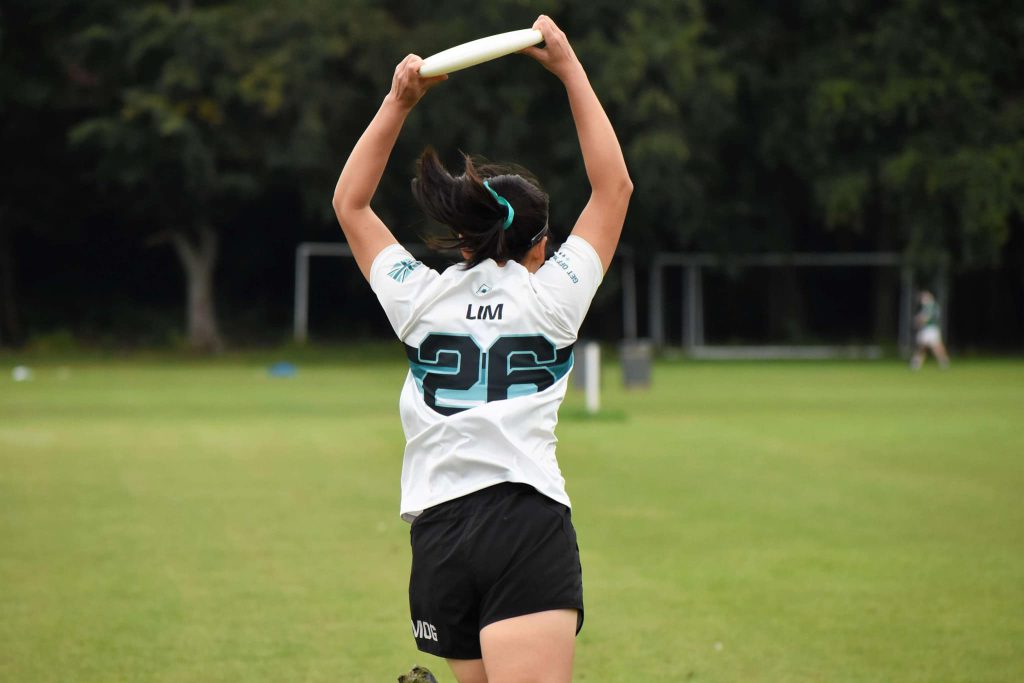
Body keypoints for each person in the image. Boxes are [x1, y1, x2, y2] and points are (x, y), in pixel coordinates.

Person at [331, 15, 632, 683]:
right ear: (539, 244)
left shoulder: (420, 297)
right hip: (524, 521)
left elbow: (350, 204)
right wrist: (569, 69)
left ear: (466, 237)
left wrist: (398, 102)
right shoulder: (551, 296)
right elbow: (614, 188)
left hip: (438, 533)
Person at [910, 290, 950, 370]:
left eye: (924, 297)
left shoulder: (930, 306)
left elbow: (925, 318)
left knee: (934, 346)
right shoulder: (932, 306)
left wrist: (918, 320)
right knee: (924, 346)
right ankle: (916, 362)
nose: (922, 299)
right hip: (930, 329)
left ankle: (943, 361)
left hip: (929, 329)